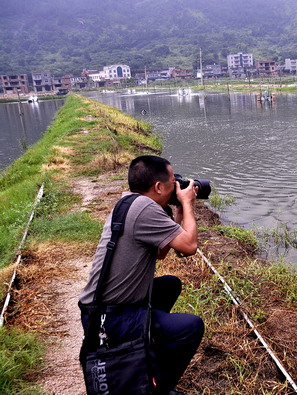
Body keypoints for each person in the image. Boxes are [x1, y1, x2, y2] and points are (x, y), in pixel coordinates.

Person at [79, 155, 204, 394]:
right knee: (191, 327)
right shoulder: (145, 208)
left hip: (99, 310)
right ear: (158, 187)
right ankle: (156, 387)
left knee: (169, 285)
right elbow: (189, 246)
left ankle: (144, 350)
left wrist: (177, 211)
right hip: (111, 319)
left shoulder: (129, 203)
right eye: (172, 183)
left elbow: (160, 252)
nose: (176, 188)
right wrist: (188, 204)